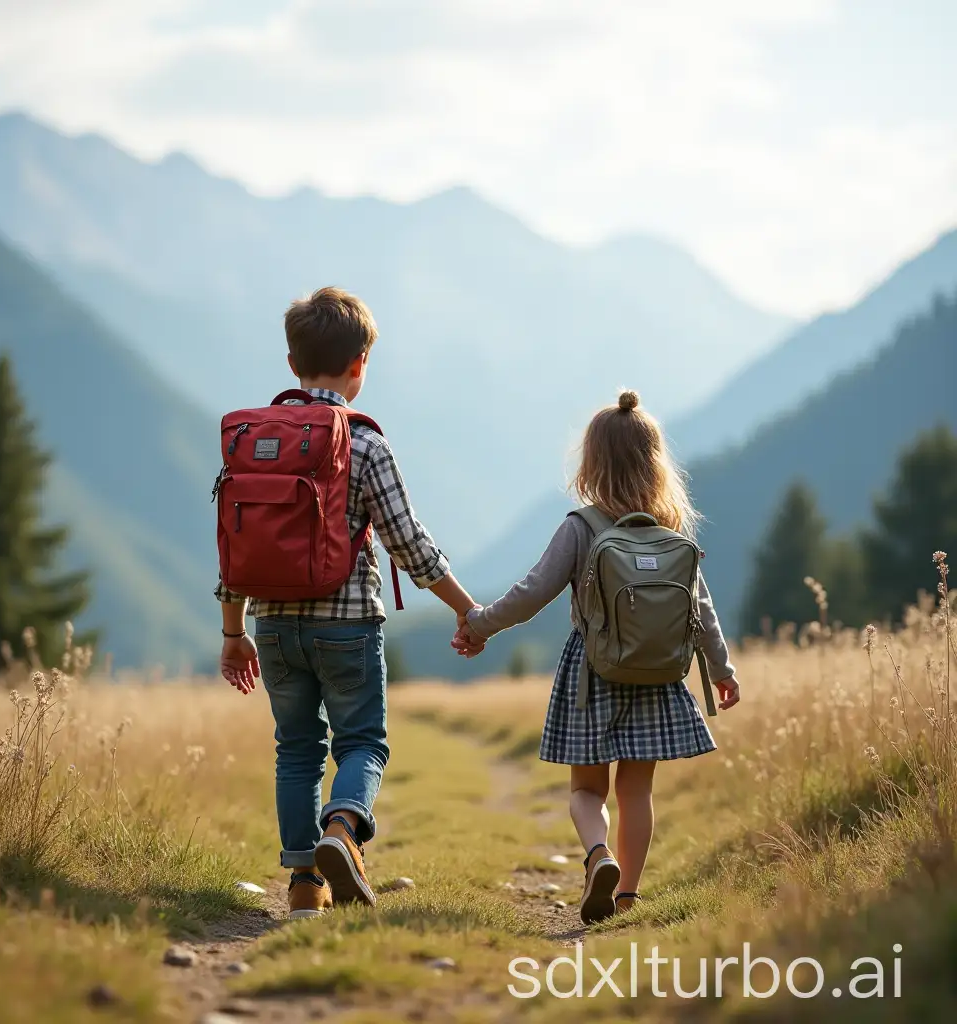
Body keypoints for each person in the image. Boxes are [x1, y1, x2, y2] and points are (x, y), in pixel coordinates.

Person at [217, 287, 477, 919]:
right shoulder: (366, 444)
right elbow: (410, 547)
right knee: (363, 742)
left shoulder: (252, 438)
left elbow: (235, 546)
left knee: (296, 748)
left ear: (291, 361)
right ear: (361, 363)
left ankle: (305, 884)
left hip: (272, 625)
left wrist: (233, 631)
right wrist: (468, 609)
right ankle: (342, 828)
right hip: (349, 626)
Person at [452, 389, 740, 925]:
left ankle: (597, 855)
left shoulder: (581, 527)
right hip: (657, 677)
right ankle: (627, 895)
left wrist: (478, 624)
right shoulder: (672, 532)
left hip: (592, 674)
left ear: (591, 461)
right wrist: (722, 672)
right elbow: (701, 609)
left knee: (588, 789)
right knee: (637, 790)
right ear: (656, 462)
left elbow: (532, 592)